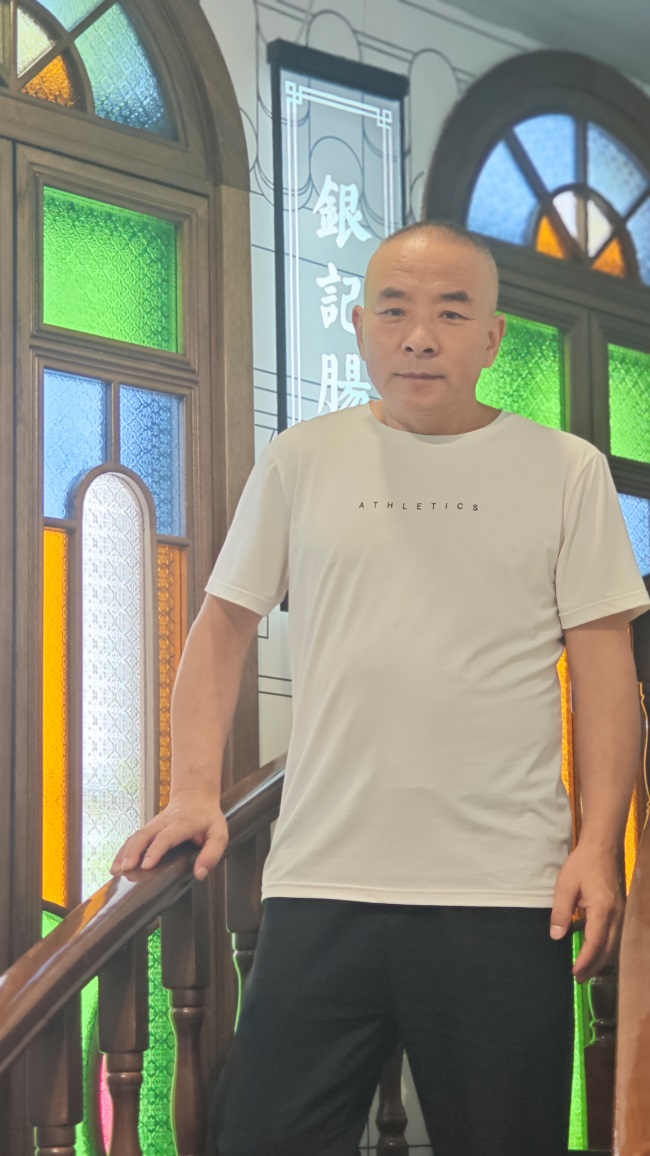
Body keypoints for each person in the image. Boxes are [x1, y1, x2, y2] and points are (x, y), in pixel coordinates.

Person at [111, 220, 650, 1156]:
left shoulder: (566, 471)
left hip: (504, 893)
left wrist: (599, 847)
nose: (420, 337)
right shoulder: (301, 459)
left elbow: (606, 674)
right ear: (359, 327)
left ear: (493, 336)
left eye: (452, 313)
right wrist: (194, 789)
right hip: (321, 880)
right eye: (394, 311)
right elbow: (223, 625)